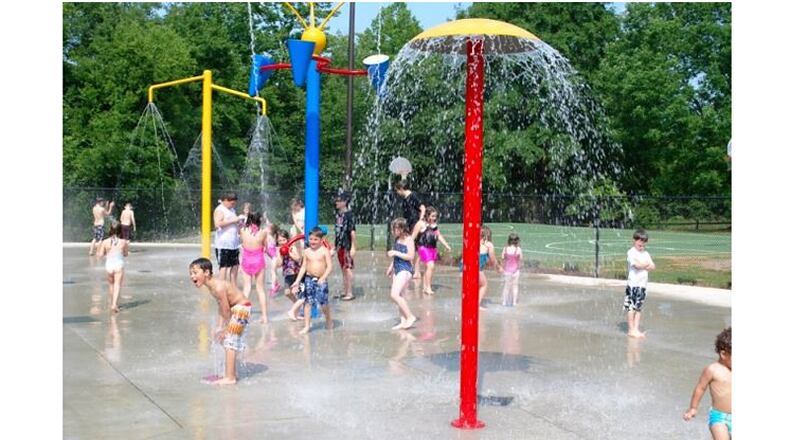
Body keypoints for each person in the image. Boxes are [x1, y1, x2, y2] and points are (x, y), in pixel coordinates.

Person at [189, 257, 252, 386]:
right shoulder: (212, 287)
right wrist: (219, 326)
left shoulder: (217, 287)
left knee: (230, 341)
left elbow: (226, 310)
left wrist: (226, 328)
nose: (192, 276)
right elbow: (221, 307)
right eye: (190, 273)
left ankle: (230, 378)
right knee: (226, 340)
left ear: (206, 273)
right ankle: (231, 373)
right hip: (237, 310)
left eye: (195, 273)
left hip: (241, 309)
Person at [683, 327, 732, 439]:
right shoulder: (712, 370)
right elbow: (700, 388)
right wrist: (693, 408)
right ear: (724, 354)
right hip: (719, 417)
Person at [290, 227, 333, 334]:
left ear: (321, 240)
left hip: (321, 279)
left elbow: (329, 267)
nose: (312, 241)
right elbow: (304, 267)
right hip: (309, 279)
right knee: (307, 302)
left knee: (323, 303)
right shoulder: (307, 251)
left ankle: (328, 319)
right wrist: (297, 281)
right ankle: (307, 325)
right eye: (311, 239)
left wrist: (323, 278)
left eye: (315, 239)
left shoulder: (324, 251)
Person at [386, 218, 418, 330]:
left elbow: (410, 256)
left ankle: (410, 316)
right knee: (400, 296)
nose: (393, 231)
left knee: (394, 294)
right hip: (397, 268)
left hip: (405, 269)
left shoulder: (409, 240)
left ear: (401, 229)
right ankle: (403, 321)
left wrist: (395, 252)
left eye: (395, 229)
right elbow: (396, 257)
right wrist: (391, 267)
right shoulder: (397, 239)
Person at [412, 206, 451, 295]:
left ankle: (425, 287)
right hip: (423, 247)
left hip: (432, 248)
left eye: (435, 216)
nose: (434, 218)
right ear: (427, 215)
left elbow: (439, 236)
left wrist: (446, 245)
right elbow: (413, 236)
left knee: (428, 268)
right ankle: (428, 287)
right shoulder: (420, 224)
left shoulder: (434, 225)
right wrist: (408, 247)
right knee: (430, 266)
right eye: (432, 216)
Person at [624, 229, 655, 338]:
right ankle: (631, 329)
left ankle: (636, 329)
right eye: (639, 243)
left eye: (643, 244)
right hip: (633, 284)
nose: (641, 246)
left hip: (642, 285)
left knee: (638, 308)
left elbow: (653, 266)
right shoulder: (631, 252)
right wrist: (645, 265)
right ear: (634, 240)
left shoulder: (646, 253)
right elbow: (636, 265)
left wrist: (644, 264)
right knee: (631, 307)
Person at [239, 212, 269, 323]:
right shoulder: (263, 232)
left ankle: (241, 315)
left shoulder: (242, 231)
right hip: (258, 261)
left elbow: (242, 243)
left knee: (246, 288)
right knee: (260, 289)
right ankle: (265, 317)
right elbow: (266, 247)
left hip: (246, 260)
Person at [393, 181, 426, 278]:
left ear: (401, 189)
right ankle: (410, 269)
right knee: (410, 246)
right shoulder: (405, 198)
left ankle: (417, 271)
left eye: (397, 190)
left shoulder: (413, 196)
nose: (397, 193)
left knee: (416, 247)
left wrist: (419, 221)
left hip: (414, 223)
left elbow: (422, 207)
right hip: (408, 224)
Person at [97, 222, 128, 313]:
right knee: (117, 285)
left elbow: (100, 255)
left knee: (111, 285)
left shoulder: (105, 242)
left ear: (110, 230)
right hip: (119, 265)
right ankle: (114, 304)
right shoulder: (123, 242)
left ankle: (112, 303)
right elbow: (125, 254)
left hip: (109, 265)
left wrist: (99, 249)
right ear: (120, 230)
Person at [213, 192, 241, 286]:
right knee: (223, 266)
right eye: (232, 203)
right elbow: (217, 224)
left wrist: (239, 224)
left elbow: (233, 223)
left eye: (234, 203)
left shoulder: (232, 210)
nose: (233, 205)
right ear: (225, 200)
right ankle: (222, 288)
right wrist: (234, 220)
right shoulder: (220, 210)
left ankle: (233, 287)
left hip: (234, 244)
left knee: (235, 265)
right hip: (223, 244)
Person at [334, 191, 357, 300]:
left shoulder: (349, 215)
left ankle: (350, 293)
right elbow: (338, 231)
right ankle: (345, 291)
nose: (336, 202)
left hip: (347, 246)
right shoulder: (339, 214)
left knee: (348, 268)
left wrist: (353, 247)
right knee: (343, 268)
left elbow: (352, 232)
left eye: (339, 200)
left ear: (345, 202)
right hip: (340, 246)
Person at [478, 225, 502, 309]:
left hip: (466, 267)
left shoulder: (475, 241)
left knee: (474, 286)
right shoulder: (488, 244)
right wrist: (498, 267)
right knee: (483, 285)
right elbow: (493, 259)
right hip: (478, 269)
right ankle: (476, 304)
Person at [501, 233, 523, 306]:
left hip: (507, 270)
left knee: (506, 286)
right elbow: (520, 260)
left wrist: (502, 266)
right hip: (515, 270)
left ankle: (504, 302)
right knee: (515, 286)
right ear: (517, 241)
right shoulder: (518, 249)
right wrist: (519, 266)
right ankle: (514, 302)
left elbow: (502, 258)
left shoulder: (505, 248)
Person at [264, 223, 281, 296]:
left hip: (275, 258)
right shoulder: (270, 236)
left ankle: (273, 287)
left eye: (267, 228)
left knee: (273, 272)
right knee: (274, 272)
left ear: (270, 230)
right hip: (274, 257)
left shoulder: (268, 237)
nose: (265, 228)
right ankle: (277, 284)